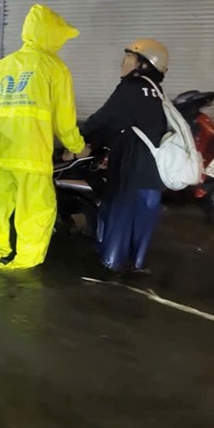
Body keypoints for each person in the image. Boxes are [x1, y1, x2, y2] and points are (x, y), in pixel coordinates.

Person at [0, 4, 86, 271]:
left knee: (1, 206)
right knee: (37, 207)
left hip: (0, 152)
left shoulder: (2, 66)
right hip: (32, 154)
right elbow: (64, 118)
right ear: (49, 35)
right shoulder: (54, 67)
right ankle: (24, 262)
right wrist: (76, 146)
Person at [80, 39, 170, 275]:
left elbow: (104, 120)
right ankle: (136, 264)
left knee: (119, 222)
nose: (123, 62)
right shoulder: (157, 92)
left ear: (143, 64)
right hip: (153, 176)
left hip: (132, 172)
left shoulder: (132, 88)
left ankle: (112, 266)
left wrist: (76, 140)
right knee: (141, 226)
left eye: (130, 57)